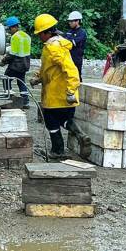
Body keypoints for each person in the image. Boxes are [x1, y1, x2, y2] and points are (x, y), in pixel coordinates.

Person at [29, 14, 82, 157]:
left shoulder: (54, 48)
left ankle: (57, 151)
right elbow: (49, 68)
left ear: (47, 32)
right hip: (64, 95)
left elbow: (71, 69)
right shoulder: (58, 44)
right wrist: (38, 78)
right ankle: (79, 134)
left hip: (57, 94)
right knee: (64, 119)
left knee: (51, 121)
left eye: (40, 34)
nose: (39, 37)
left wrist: (71, 90)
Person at [0, 16, 31, 108]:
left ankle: (10, 97)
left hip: (16, 64)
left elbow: (13, 54)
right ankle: (25, 101)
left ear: (14, 27)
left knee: (6, 79)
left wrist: (3, 61)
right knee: (21, 82)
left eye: (9, 28)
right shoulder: (26, 36)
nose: (9, 31)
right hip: (25, 64)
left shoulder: (15, 37)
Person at [61, 11, 87, 80]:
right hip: (68, 59)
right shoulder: (69, 32)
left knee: (76, 77)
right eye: (69, 21)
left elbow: (72, 43)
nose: (69, 23)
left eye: (71, 21)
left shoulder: (82, 33)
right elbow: (63, 40)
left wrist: (67, 40)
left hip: (77, 60)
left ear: (77, 21)